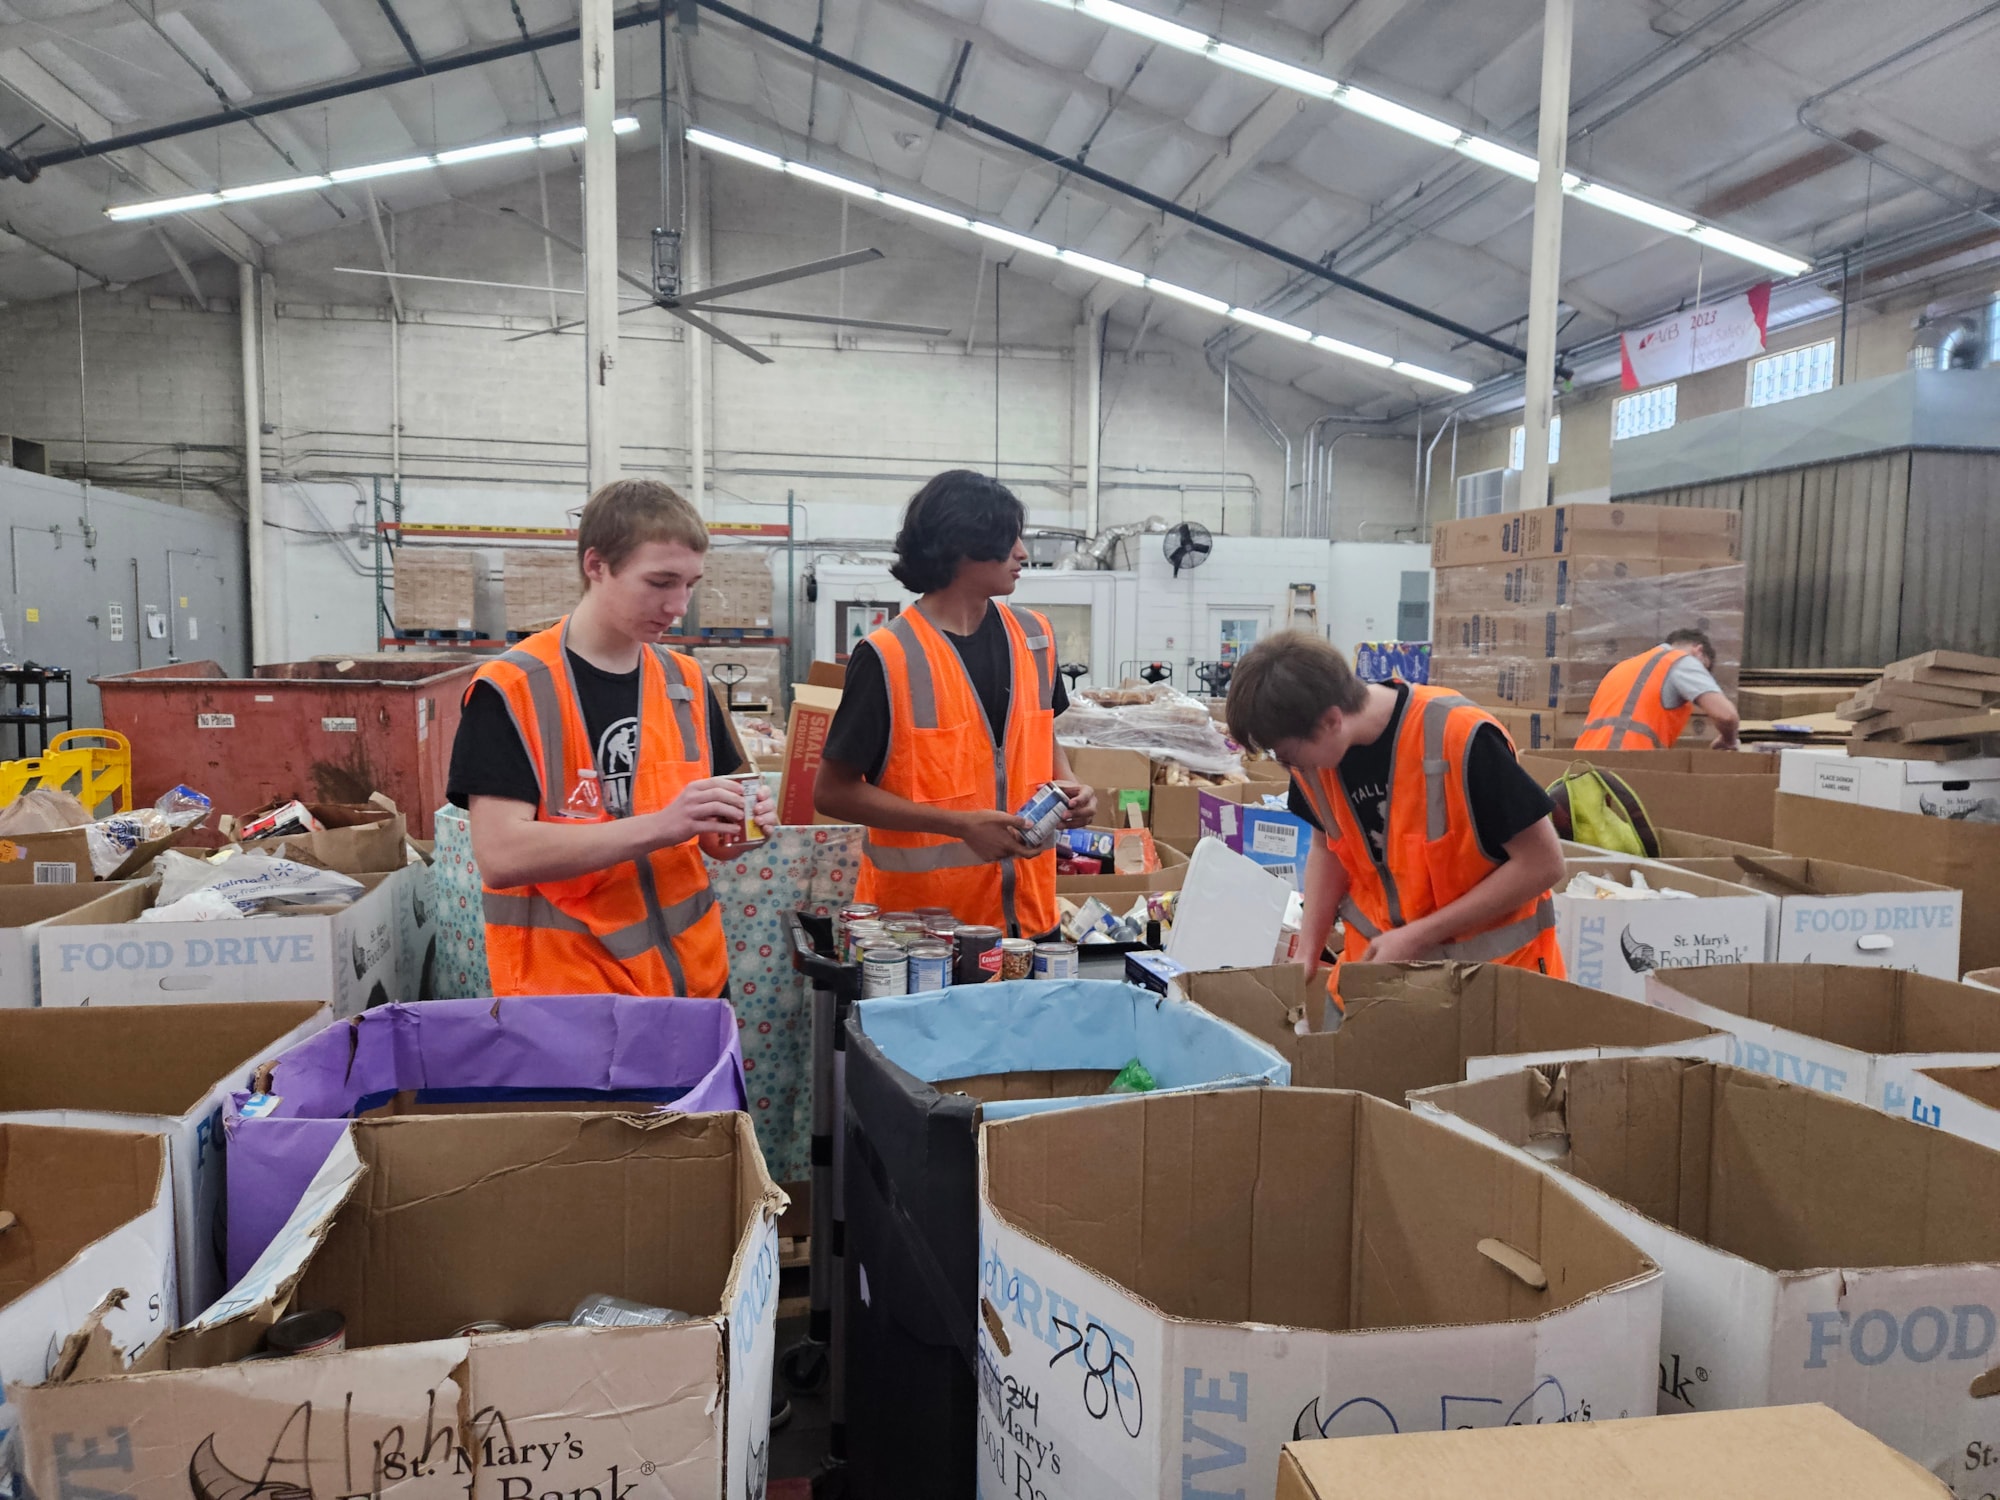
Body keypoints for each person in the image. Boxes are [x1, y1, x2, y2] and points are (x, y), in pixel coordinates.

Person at [446, 478, 775, 997]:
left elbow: (712, 839)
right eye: (661, 582)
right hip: (575, 1001)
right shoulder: (511, 689)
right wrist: (665, 825)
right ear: (596, 565)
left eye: (690, 584)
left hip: (693, 985)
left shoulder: (685, 682)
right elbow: (503, 856)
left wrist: (739, 827)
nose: (679, 606)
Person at [813, 470, 1096, 938]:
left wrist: (1068, 786)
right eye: (1009, 540)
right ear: (963, 546)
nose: (1022, 553)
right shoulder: (888, 656)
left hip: (1028, 923)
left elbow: (1041, 734)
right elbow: (832, 791)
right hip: (922, 937)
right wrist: (959, 825)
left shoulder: (1035, 638)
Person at [1226, 633, 1566, 1000]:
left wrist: (1420, 935)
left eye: (1289, 754)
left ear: (1331, 720)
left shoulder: (1460, 738)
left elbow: (1543, 864)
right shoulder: (1313, 765)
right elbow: (1328, 849)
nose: (1289, 767)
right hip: (1381, 984)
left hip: (1491, 987)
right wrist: (1307, 952)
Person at [1575, 628, 1741, 751]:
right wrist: (1729, 741)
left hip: (1582, 767)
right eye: (1703, 669)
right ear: (1698, 651)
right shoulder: (1681, 660)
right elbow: (1726, 716)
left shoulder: (1623, 667)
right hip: (1626, 766)